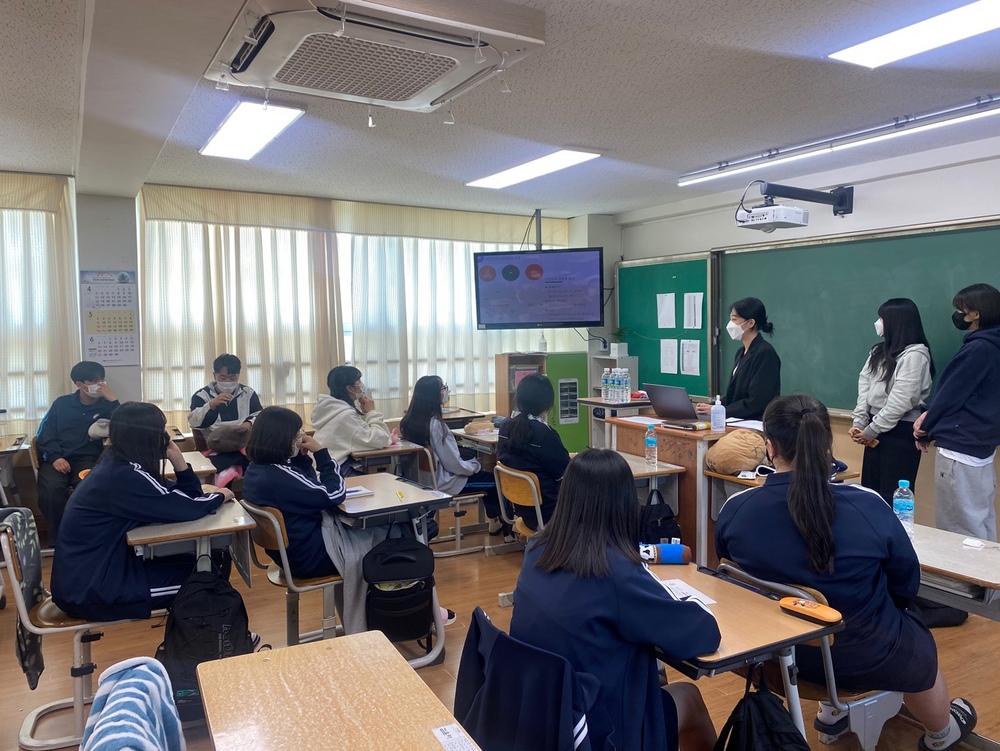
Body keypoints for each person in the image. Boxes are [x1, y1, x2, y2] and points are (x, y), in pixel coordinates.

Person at [717, 394, 977, 751]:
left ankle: (832, 713)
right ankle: (941, 734)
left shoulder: (736, 509)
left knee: (825, 614)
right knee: (911, 631)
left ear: (770, 447)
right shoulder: (867, 504)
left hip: (777, 660)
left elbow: (734, 578)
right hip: (864, 658)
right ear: (827, 442)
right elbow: (906, 583)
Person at [510, 449, 721, 751]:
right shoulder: (615, 574)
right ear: (624, 504)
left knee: (654, 677)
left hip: (546, 715)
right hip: (602, 732)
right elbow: (702, 635)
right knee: (688, 697)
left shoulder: (537, 549)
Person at [51, 402, 232, 622]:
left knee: (206, 560)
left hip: (94, 575)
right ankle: (207, 648)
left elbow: (183, 499)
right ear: (147, 435)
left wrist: (179, 462)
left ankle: (198, 643)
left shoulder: (119, 463)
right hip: (94, 590)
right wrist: (222, 495)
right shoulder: (124, 476)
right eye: (161, 430)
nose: (165, 437)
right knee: (209, 582)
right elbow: (188, 508)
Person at [914, 283, 1000, 542]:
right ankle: (989, 582)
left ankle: (964, 583)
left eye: (962, 309)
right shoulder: (994, 346)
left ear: (976, 313)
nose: (958, 314)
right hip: (983, 444)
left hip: (960, 447)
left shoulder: (978, 348)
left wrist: (925, 426)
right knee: (981, 520)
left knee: (958, 529)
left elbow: (951, 393)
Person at [242, 406, 347, 579]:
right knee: (380, 537)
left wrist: (301, 458)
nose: (301, 436)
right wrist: (323, 456)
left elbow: (309, 486)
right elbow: (334, 495)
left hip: (290, 556)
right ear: (282, 438)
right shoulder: (280, 476)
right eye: (296, 433)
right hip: (313, 558)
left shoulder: (257, 469)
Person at [400, 375, 508, 538]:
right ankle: (505, 527)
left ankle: (495, 522)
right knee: (497, 480)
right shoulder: (437, 426)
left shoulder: (408, 421)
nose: (445, 392)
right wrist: (474, 466)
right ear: (434, 395)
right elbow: (454, 466)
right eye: (443, 389)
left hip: (421, 480)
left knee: (482, 471)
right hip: (445, 483)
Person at [851, 298, 934, 504]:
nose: (878, 323)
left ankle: (895, 536)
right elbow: (865, 385)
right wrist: (860, 421)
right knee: (871, 493)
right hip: (874, 428)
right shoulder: (878, 351)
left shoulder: (915, 354)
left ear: (897, 322)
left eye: (882, 318)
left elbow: (901, 400)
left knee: (893, 496)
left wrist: (871, 430)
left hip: (898, 432)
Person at [35, 361, 121, 547]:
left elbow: (123, 426)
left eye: (101, 379)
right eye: (94, 380)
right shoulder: (61, 404)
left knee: (90, 487)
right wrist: (55, 457)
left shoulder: (106, 406)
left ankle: (89, 537)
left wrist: (113, 400)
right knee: (52, 491)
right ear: (79, 384)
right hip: (56, 459)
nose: (100, 384)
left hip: (88, 459)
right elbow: (44, 434)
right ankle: (59, 541)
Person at [497, 373, 570, 530]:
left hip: (525, 511)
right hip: (552, 514)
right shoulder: (545, 435)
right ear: (547, 403)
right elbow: (566, 476)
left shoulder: (505, 427)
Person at [696, 297, 779, 420]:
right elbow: (735, 396)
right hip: (737, 422)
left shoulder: (765, 353)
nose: (730, 325)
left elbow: (757, 401)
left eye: (734, 319)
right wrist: (714, 406)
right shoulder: (741, 352)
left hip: (754, 425)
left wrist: (722, 411)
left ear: (750, 323)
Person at [188, 353, 263, 486]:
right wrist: (211, 406)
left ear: (239, 375)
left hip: (243, 442)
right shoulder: (201, 395)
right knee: (227, 461)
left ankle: (234, 473)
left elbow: (259, 414)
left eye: (233, 377)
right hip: (215, 445)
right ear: (214, 375)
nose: (228, 382)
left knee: (263, 457)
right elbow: (194, 422)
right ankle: (229, 473)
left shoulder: (248, 393)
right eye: (223, 377)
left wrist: (247, 424)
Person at [312, 366, 392, 476]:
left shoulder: (333, 409)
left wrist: (364, 413)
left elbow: (358, 432)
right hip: (334, 472)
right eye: (359, 380)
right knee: (382, 483)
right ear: (350, 388)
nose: (362, 384)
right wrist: (372, 412)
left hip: (324, 468)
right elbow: (380, 440)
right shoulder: (345, 415)